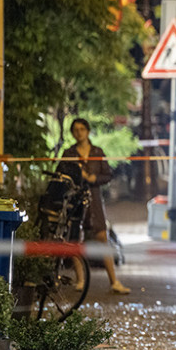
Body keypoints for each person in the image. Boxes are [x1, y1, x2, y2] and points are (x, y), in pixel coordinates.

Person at [59, 118, 130, 295]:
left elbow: (108, 175)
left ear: (88, 131)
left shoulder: (97, 152)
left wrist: (93, 179)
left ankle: (114, 281)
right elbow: (60, 174)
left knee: (102, 238)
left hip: (95, 201)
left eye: (82, 129)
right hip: (75, 200)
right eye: (75, 129)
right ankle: (80, 279)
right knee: (76, 240)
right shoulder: (69, 153)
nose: (79, 132)